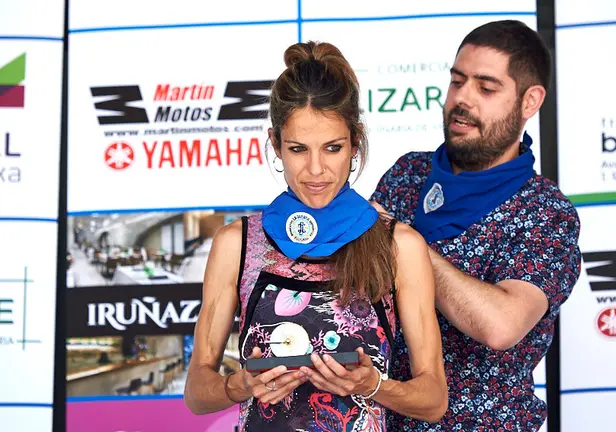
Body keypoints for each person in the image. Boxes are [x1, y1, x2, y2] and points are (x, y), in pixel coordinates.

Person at [184, 41, 448, 431]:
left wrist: (373, 384)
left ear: (355, 143)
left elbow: (433, 399)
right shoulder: (237, 243)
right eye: (297, 149)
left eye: (332, 148)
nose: (315, 170)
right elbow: (195, 393)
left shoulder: (397, 246)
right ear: (275, 144)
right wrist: (238, 385)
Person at [371, 20, 582, 431]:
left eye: (486, 88)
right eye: (456, 81)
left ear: (530, 101)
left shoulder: (546, 213)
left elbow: (500, 325)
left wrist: (403, 243)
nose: (462, 99)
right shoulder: (407, 174)